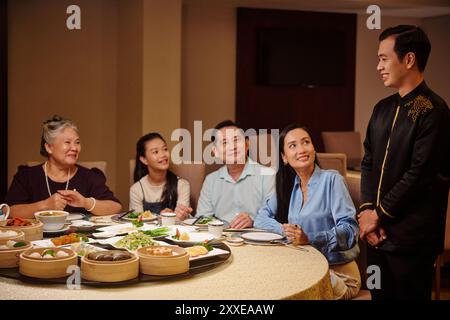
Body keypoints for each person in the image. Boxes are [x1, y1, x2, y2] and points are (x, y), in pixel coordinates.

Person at [358, 25, 450, 300]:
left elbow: (419, 175)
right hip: (377, 237)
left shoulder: (434, 111)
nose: (378, 66)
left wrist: (378, 216)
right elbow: (368, 162)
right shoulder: (382, 108)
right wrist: (366, 213)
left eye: (384, 58)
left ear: (408, 59)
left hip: (412, 242)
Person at [5, 115, 122, 217]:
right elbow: (8, 212)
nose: (75, 148)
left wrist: (85, 202)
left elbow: (116, 207)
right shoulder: (26, 176)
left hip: (80, 240)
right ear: (49, 147)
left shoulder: (89, 176)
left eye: (77, 142)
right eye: (67, 142)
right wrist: (45, 205)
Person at [196, 120, 275, 229]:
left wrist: (254, 221)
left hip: (257, 239)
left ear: (247, 144)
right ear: (215, 152)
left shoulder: (268, 175)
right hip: (221, 239)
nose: (232, 147)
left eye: (236, 140)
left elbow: (275, 216)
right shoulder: (211, 180)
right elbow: (202, 219)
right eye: (224, 142)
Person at [130, 132, 192, 220]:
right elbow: (137, 222)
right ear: (144, 159)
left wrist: (182, 214)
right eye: (155, 152)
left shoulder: (182, 185)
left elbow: (182, 219)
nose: (163, 155)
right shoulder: (136, 189)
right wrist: (160, 218)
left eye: (165, 149)